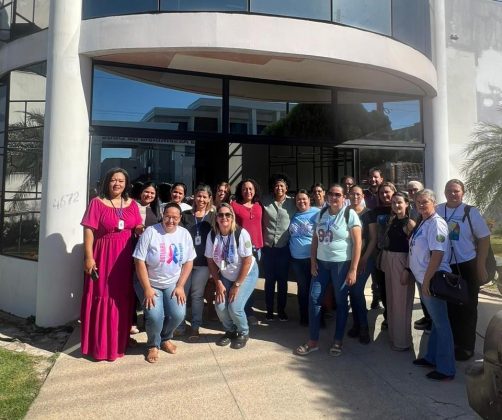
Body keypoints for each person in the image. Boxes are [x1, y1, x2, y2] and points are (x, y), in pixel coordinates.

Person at [81, 167, 143, 361]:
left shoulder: (132, 204)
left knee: (122, 298)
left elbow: (137, 225)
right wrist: (89, 257)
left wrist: (142, 230)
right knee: (102, 296)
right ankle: (101, 345)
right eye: (113, 180)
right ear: (107, 182)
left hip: (125, 258)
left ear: (126, 184)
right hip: (103, 256)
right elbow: (89, 231)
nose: (117, 184)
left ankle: (119, 340)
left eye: (121, 181)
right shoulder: (96, 203)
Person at [295, 184, 361, 357]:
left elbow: (357, 244)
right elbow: (315, 239)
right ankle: (313, 341)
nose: (334, 197)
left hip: (341, 265)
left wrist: (353, 269)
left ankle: (338, 340)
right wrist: (313, 261)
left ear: (344, 197)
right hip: (321, 264)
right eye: (331, 194)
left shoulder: (349, 214)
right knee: (313, 299)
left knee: (340, 302)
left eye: (338, 194)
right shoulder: (321, 213)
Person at [133, 202, 196, 363]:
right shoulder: (151, 232)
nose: (171, 221)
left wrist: (180, 286)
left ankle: (165, 338)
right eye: (167, 216)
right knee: (155, 316)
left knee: (178, 314)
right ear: (162, 215)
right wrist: (147, 288)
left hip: (172, 283)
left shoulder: (184, 234)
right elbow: (139, 261)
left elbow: (189, 261)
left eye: (175, 217)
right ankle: (153, 344)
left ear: (180, 218)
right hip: (150, 283)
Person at [436, 179, 491, 361]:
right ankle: (453, 343)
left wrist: (480, 265)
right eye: (449, 190)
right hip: (445, 266)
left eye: (456, 191)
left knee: (468, 307)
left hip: (467, 265)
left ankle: (467, 347)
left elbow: (484, 238)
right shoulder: (438, 210)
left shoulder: (469, 212)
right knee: (450, 307)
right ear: (444, 192)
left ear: (462, 193)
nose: (453, 194)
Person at [408, 189, 456, 381]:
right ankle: (432, 357)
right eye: (418, 202)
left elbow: (437, 254)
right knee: (436, 322)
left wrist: (427, 280)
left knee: (442, 324)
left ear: (434, 203)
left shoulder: (436, 223)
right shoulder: (424, 221)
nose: (421, 205)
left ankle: (446, 369)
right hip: (423, 278)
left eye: (425, 201)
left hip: (432, 280)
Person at [205, 203, 258, 349]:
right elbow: (210, 260)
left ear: (232, 217)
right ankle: (230, 330)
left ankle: (243, 332)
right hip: (226, 275)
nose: (224, 217)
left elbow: (247, 260)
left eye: (227, 214)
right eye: (220, 215)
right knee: (220, 306)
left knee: (235, 307)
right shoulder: (212, 235)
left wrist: (237, 285)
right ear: (216, 218)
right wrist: (218, 282)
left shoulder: (241, 233)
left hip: (246, 274)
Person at [380, 193, 416, 351]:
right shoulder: (392, 220)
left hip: (402, 262)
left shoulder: (410, 224)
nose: (396, 205)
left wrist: (407, 269)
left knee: (402, 303)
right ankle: (394, 337)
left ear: (406, 203)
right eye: (394, 202)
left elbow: (414, 249)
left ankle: (402, 341)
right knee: (392, 301)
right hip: (389, 260)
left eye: (399, 202)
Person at [179, 184, 215, 341]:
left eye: (204, 197)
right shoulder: (185, 215)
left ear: (209, 198)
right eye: (199, 196)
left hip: (203, 264)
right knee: (182, 294)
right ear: (194, 197)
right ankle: (180, 325)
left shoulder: (214, 216)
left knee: (197, 295)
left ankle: (195, 326)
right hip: (185, 263)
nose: (201, 199)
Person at [262, 173, 296, 321]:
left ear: (286, 188)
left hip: (284, 248)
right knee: (269, 281)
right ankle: (269, 310)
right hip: (268, 248)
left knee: (282, 281)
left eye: (282, 185)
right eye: (276, 185)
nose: (279, 188)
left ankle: (281, 311)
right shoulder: (265, 201)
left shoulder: (293, 202)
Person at [347, 185, 377, 344]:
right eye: (352, 194)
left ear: (363, 196)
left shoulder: (368, 214)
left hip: (365, 258)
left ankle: (364, 327)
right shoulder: (345, 212)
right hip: (348, 258)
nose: (355, 197)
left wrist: (364, 258)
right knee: (352, 291)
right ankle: (356, 324)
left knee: (357, 291)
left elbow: (373, 238)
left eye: (358, 194)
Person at [231, 178, 263, 325]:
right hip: (242, 250)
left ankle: (247, 311)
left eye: (250, 188)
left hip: (257, 249)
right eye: (244, 189)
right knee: (241, 281)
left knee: (251, 282)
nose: (248, 191)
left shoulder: (259, 205)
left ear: (255, 190)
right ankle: (246, 312)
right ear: (240, 190)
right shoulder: (234, 205)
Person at [131, 181, 162, 334]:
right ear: (141, 192)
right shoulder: (132, 206)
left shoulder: (157, 210)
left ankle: (147, 318)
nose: (149, 195)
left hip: (149, 256)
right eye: (146, 192)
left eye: (152, 193)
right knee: (132, 288)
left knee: (146, 286)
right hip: (131, 251)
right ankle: (132, 321)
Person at [289, 189, 320, 326]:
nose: (301, 201)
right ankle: (304, 317)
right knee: (302, 288)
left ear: (309, 200)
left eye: (304, 199)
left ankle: (318, 318)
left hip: (313, 258)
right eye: (298, 199)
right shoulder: (292, 215)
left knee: (315, 289)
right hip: (296, 259)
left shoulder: (317, 213)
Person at [406, 180, 432, 332]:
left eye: (415, 190)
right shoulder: (408, 206)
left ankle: (431, 319)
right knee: (421, 292)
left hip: (426, 260)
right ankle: (427, 316)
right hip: (413, 256)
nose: (412, 193)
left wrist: (412, 227)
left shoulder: (426, 211)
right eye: (409, 190)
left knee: (427, 291)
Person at [372, 181, 397, 322]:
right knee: (383, 287)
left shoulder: (402, 208)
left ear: (394, 192)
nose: (384, 195)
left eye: (387, 192)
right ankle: (388, 317)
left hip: (399, 255)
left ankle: (397, 317)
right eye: (381, 193)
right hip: (380, 255)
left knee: (397, 289)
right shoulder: (375, 211)